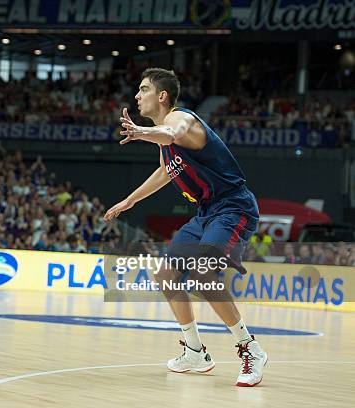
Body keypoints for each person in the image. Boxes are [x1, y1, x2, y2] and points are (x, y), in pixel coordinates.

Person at [104, 68, 267, 387]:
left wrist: (139, 132)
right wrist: (130, 200)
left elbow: (172, 133)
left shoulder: (182, 120)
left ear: (161, 96)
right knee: (166, 274)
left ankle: (251, 349)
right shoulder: (164, 138)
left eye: (143, 89)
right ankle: (195, 351)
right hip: (206, 212)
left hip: (233, 207)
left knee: (204, 274)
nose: (137, 95)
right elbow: (167, 170)